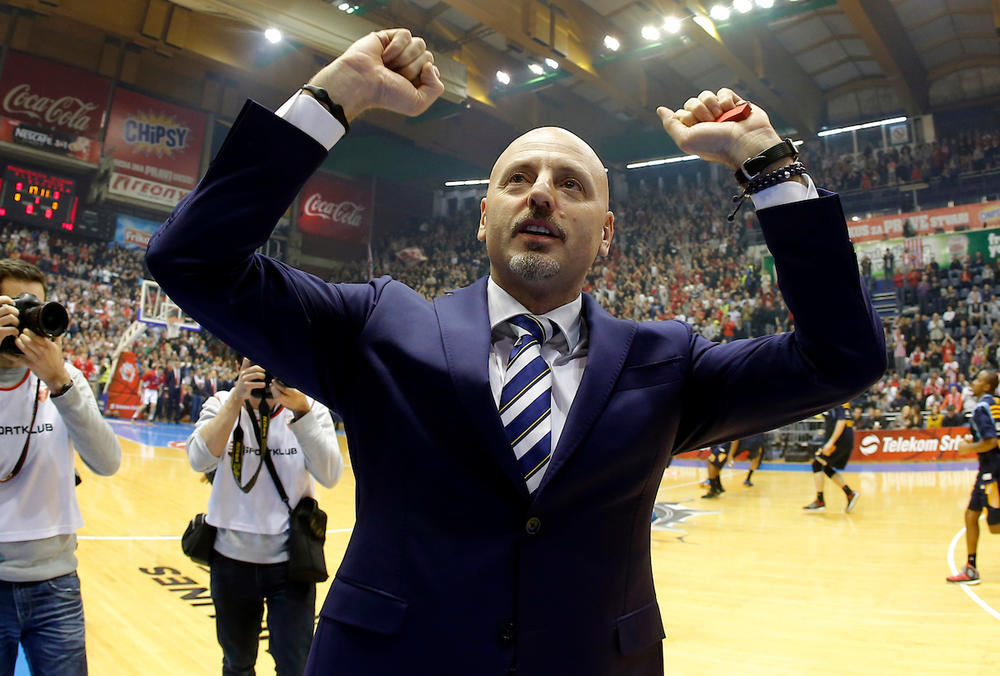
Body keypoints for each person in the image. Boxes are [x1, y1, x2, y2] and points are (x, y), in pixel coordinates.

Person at [146, 28, 886, 676]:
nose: (541, 195)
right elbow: (191, 259)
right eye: (519, 179)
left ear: (607, 232)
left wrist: (768, 166)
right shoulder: (377, 327)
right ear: (482, 217)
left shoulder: (667, 363)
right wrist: (339, 93)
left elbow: (844, 355)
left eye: (571, 185)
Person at [0, 258, 122, 674]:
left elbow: (107, 462)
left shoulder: (64, 378)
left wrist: (60, 384)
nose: (26, 321)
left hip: (55, 583)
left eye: (33, 308)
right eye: (16, 307)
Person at [187, 357, 342, 674]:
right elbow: (199, 459)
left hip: (292, 563)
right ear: (239, 366)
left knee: (296, 664)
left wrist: (302, 412)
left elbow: (330, 475)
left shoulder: (309, 407)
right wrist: (236, 399)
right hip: (231, 562)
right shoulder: (221, 403)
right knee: (237, 663)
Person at [946, 369, 1000, 584]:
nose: (973, 382)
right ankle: (971, 568)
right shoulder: (996, 403)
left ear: (986, 386)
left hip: (992, 469)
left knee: (995, 526)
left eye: (977, 379)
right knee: (971, 514)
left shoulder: (980, 408)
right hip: (988, 468)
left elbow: (991, 442)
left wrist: (967, 447)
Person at [803, 403, 861, 513]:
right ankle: (849, 493)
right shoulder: (842, 403)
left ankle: (820, 501)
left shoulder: (837, 402)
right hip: (845, 440)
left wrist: (831, 442)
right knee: (826, 467)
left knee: (817, 464)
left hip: (839, 440)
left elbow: (841, 421)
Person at [701, 432, 767, 498]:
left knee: (710, 462)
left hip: (729, 445)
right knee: (715, 464)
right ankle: (718, 487)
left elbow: (735, 438)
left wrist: (731, 455)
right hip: (748, 442)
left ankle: (714, 489)